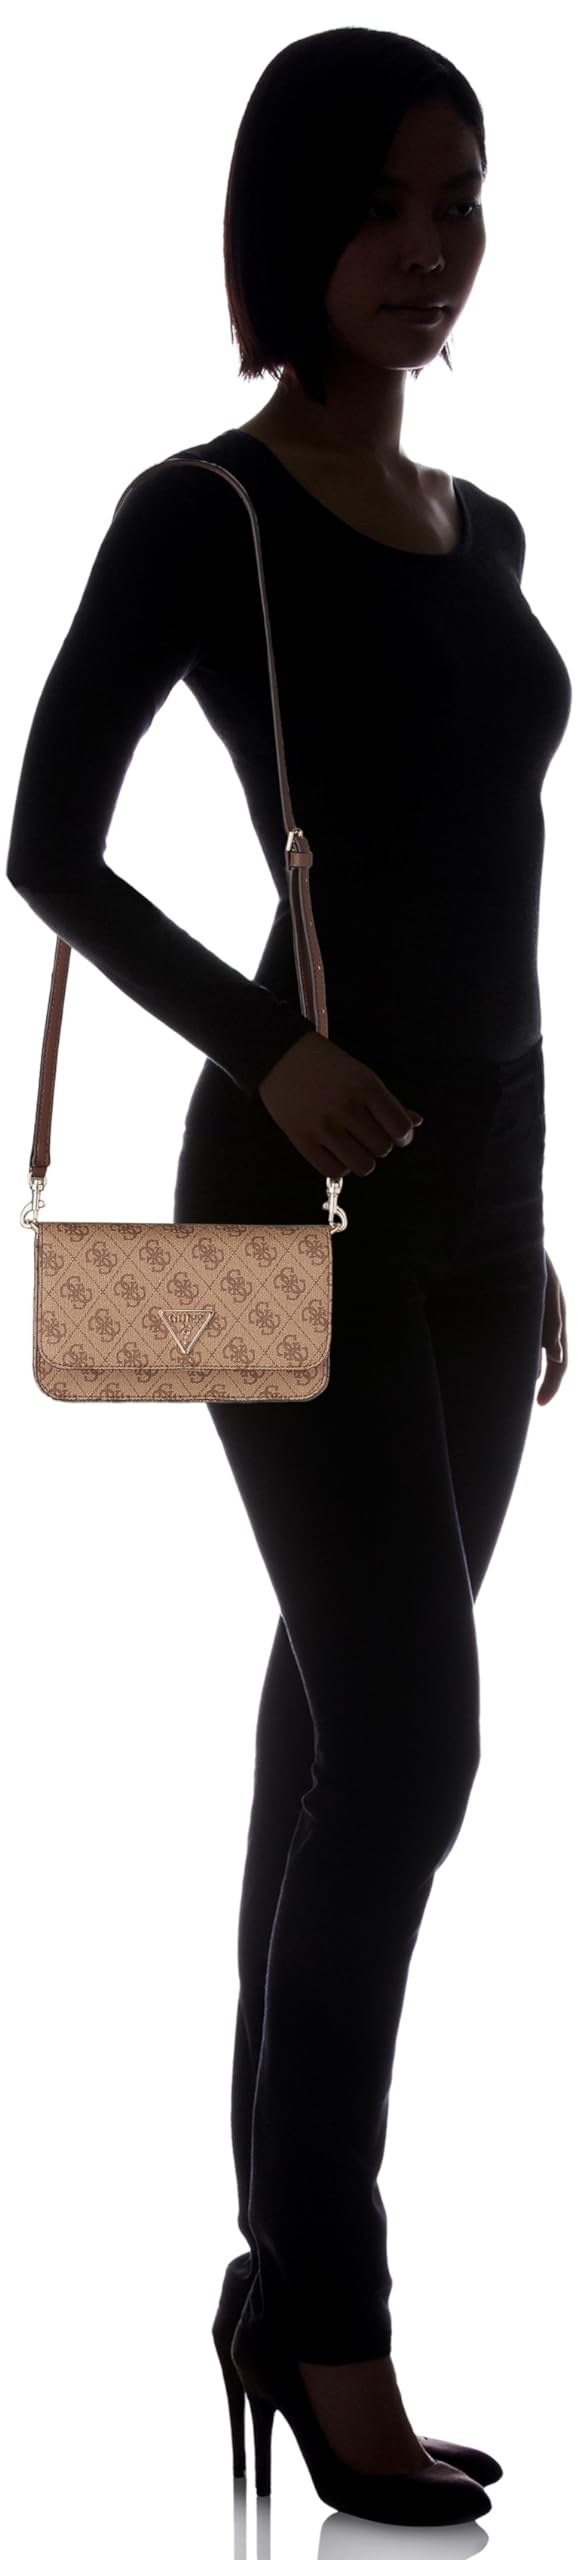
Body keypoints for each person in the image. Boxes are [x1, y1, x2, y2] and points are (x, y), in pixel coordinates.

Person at [6, 25, 572, 2524]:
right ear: (292, 226)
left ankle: (268, 2276)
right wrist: (273, 1045)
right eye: (385, 203)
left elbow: (494, 913)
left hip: (471, 1227)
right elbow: (46, 836)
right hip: (289, 1192)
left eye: (463, 198)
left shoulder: (490, 531)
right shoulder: (203, 511)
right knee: (410, 1752)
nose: (431, 247)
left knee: (332, 1737)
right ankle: (327, 2310)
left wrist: (528, 1222)